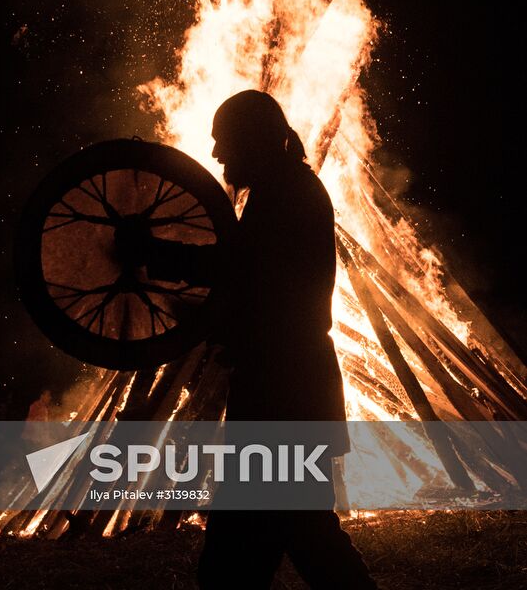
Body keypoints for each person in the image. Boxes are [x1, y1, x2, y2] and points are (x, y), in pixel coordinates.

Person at [143, 91, 378, 589]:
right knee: (298, 542)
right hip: (289, 395)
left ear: (253, 138)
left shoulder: (287, 197)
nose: (217, 156)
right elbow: (252, 284)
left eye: (224, 142)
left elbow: (240, 273)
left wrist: (154, 253)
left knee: (255, 556)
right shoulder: (285, 191)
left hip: (283, 398)